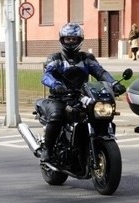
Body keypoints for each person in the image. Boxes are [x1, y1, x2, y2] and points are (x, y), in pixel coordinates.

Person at [38, 22, 125, 162]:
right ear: (62, 39)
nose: (71, 42)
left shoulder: (87, 59)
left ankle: (91, 143)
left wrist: (114, 84)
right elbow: (46, 75)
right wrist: (56, 84)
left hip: (81, 96)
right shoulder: (55, 59)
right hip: (59, 98)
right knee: (56, 115)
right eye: (68, 39)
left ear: (80, 40)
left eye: (74, 39)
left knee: (98, 113)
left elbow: (100, 72)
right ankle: (47, 149)